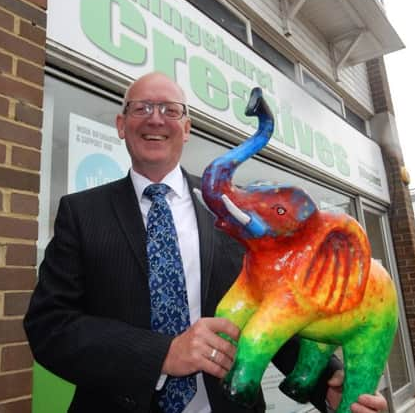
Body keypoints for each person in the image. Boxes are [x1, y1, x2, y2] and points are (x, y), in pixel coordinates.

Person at [24, 72, 388, 413]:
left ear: (187, 128)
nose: (155, 119)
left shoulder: (233, 213)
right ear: (122, 125)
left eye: (170, 110)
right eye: (141, 108)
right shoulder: (82, 212)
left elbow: (280, 305)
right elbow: (49, 327)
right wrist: (161, 355)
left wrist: (325, 384)